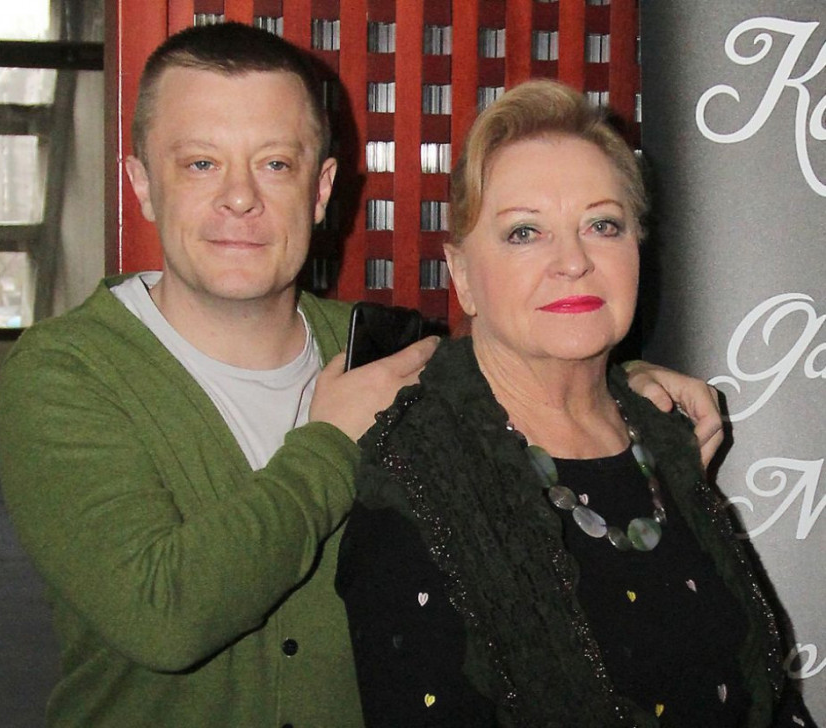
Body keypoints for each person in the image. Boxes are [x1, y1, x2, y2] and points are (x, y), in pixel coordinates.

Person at [0, 23, 725, 728]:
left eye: (275, 164)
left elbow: (516, 373)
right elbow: (164, 617)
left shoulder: (386, 349)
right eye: (200, 164)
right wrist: (330, 445)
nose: (240, 197)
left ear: (321, 190)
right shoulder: (66, 372)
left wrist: (623, 382)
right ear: (142, 185)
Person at [335, 80, 816, 727]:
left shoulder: (663, 437)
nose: (573, 261)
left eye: (602, 225)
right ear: (463, 275)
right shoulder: (413, 476)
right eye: (525, 232)